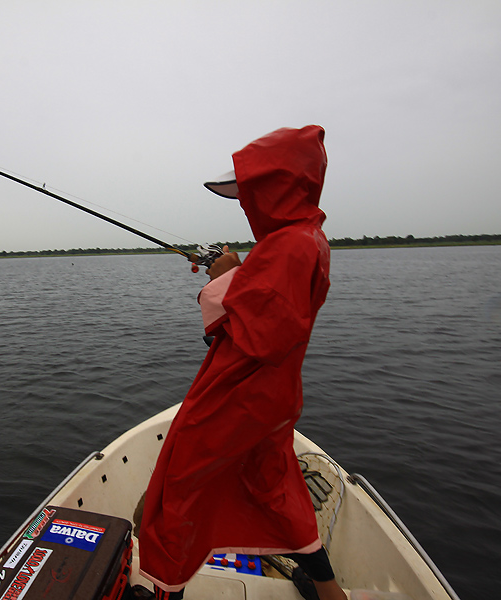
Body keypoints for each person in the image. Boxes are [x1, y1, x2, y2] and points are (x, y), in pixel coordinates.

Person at [137, 126, 345, 600]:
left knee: (178, 488)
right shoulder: (306, 238)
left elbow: (262, 333)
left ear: (277, 187)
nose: (245, 203)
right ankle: (331, 594)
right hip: (273, 392)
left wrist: (227, 277)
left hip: (240, 391)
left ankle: (164, 588)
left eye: (251, 191)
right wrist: (235, 272)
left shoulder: (290, 244)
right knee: (274, 486)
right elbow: (276, 310)